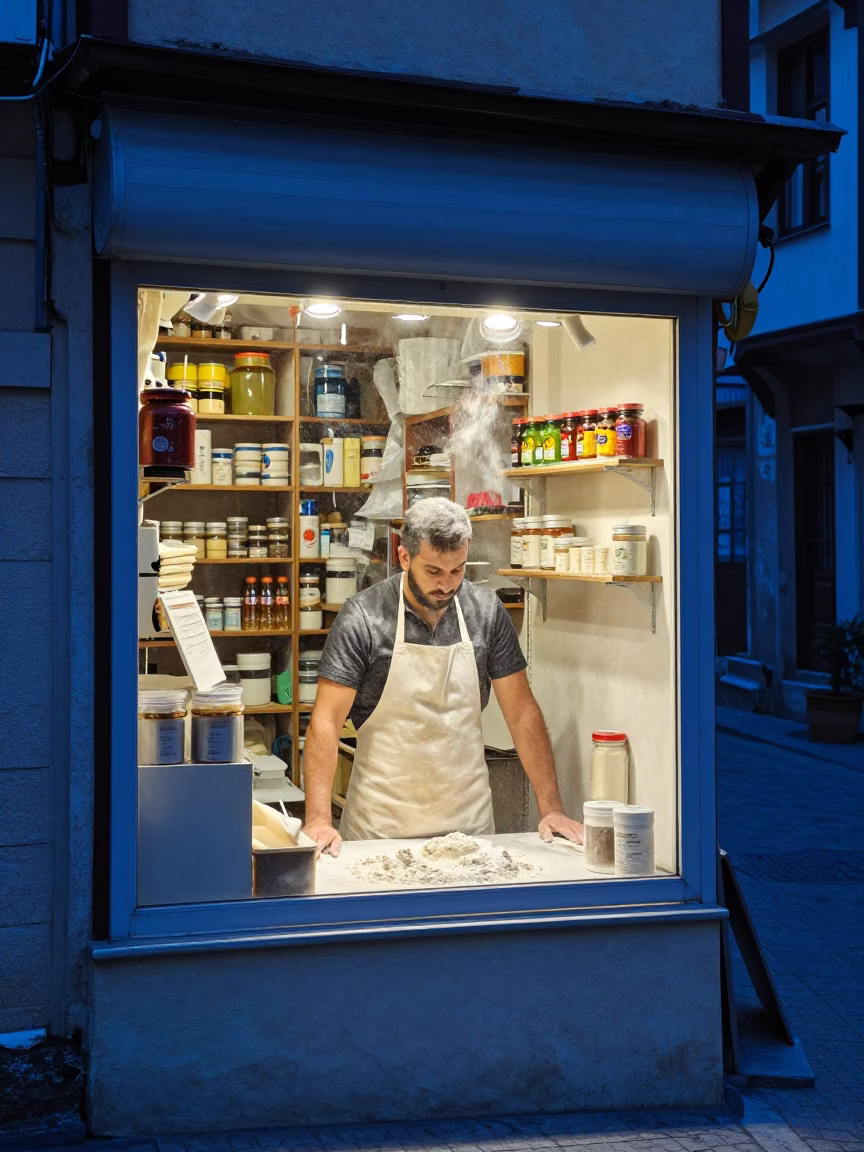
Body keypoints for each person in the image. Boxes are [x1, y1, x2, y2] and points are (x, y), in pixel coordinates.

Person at [301, 498, 584, 856]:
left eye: (457, 571)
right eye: (433, 571)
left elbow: (522, 712)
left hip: (469, 829)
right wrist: (318, 820)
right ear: (404, 557)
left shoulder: (485, 612)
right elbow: (325, 722)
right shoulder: (364, 618)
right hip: (381, 830)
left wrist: (553, 809)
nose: (446, 585)